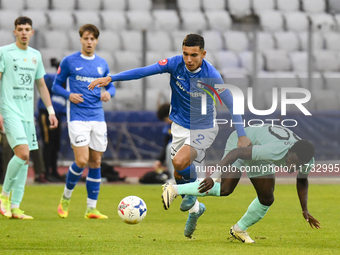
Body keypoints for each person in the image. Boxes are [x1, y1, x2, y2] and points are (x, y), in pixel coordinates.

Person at [88, 34, 251, 236]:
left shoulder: (212, 76)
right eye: (185, 54)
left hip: (203, 128)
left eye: (193, 55)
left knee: (180, 162)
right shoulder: (175, 64)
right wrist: (112, 78)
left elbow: (232, 103)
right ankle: (196, 209)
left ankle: (190, 195)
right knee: (177, 171)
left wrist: (242, 134)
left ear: (203, 54)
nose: (188, 59)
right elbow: (143, 72)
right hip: (180, 126)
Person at [162, 124, 321, 242]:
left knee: (267, 198)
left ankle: (239, 229)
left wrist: (304, 209)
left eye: (297, 165)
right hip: (241, 144)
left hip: (259, 150)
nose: (292, 166)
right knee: (225, 188)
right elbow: (237, 153)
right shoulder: (273, 150)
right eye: (291, 160)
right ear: (290, 151)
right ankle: (174, 189)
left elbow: (302, 181)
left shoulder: (307, 160)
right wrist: (214, 176)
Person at [52, 24, 116, 219]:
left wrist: (108, 94)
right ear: (80, 39)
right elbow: (55, 86)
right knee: (81, 160)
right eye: (86, 38)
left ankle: (91, 208)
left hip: (97, 117)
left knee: (96, 162)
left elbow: (111, 87)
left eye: (92, 39)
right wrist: (69, 95)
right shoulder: (70, 61)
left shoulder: (102, 64)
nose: (89, 42)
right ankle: (66, 198)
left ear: (96, 41)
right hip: (78, 118)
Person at [0, 16, 58, 219]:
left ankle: (15, 207)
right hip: (9, 110)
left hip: (27, 114)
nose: (24, 32)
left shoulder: (35, 55)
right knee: (23, 153)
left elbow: (41, 85)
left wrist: (51, 111)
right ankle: (4, 196)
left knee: (26, 161)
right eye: (20, 29)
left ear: (32, 32)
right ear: (14, 32)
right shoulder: (4, 52)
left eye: (27, 29)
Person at [38, 68, 66, 183]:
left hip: (57, 116)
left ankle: (54, 171)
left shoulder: (70, 84)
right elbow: (44, 81)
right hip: (46, 113)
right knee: (48, 143)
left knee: (55, 145)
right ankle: (46, 173)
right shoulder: (53, 78)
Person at [153, 103, 175, 182]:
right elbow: (166, 146)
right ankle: (174, 178)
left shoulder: (185, 123)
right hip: (174, 151)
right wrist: (160, 160)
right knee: (170, 147)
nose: (166, 120)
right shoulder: (168, 128)